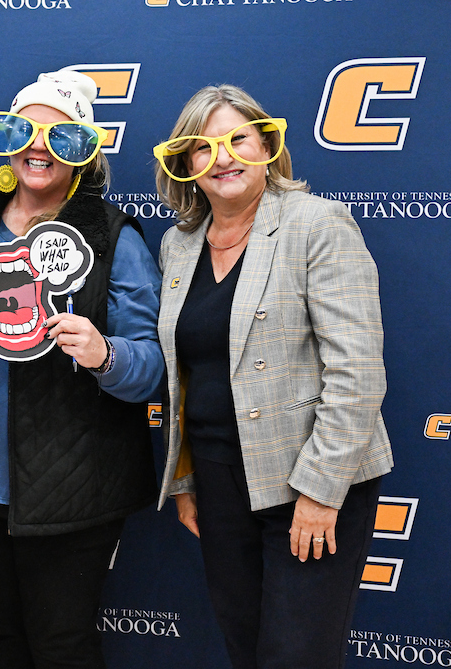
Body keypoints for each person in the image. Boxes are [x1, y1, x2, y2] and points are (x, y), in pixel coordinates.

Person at [152, 85, 393, 669]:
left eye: (237, 139)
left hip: (308, 479)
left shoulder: (317, 224)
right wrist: (186, 479)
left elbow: (357, 372)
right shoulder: (178, 244)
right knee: (245, 649)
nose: (223, 158)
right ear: (185, 163)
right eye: (203, 147)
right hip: (218, 483)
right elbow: (187, 374)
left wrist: (320, 492)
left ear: (266, 146)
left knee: (296, 657)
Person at [0, 70, 164, 669]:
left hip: (74, 484)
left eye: (59, 136)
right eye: (25, 130)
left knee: (62, 646)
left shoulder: (113, 239)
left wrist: (105, 353)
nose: (39, 146)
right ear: (7, 139)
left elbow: (152, 368)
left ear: (83, 152)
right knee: (0, 640)